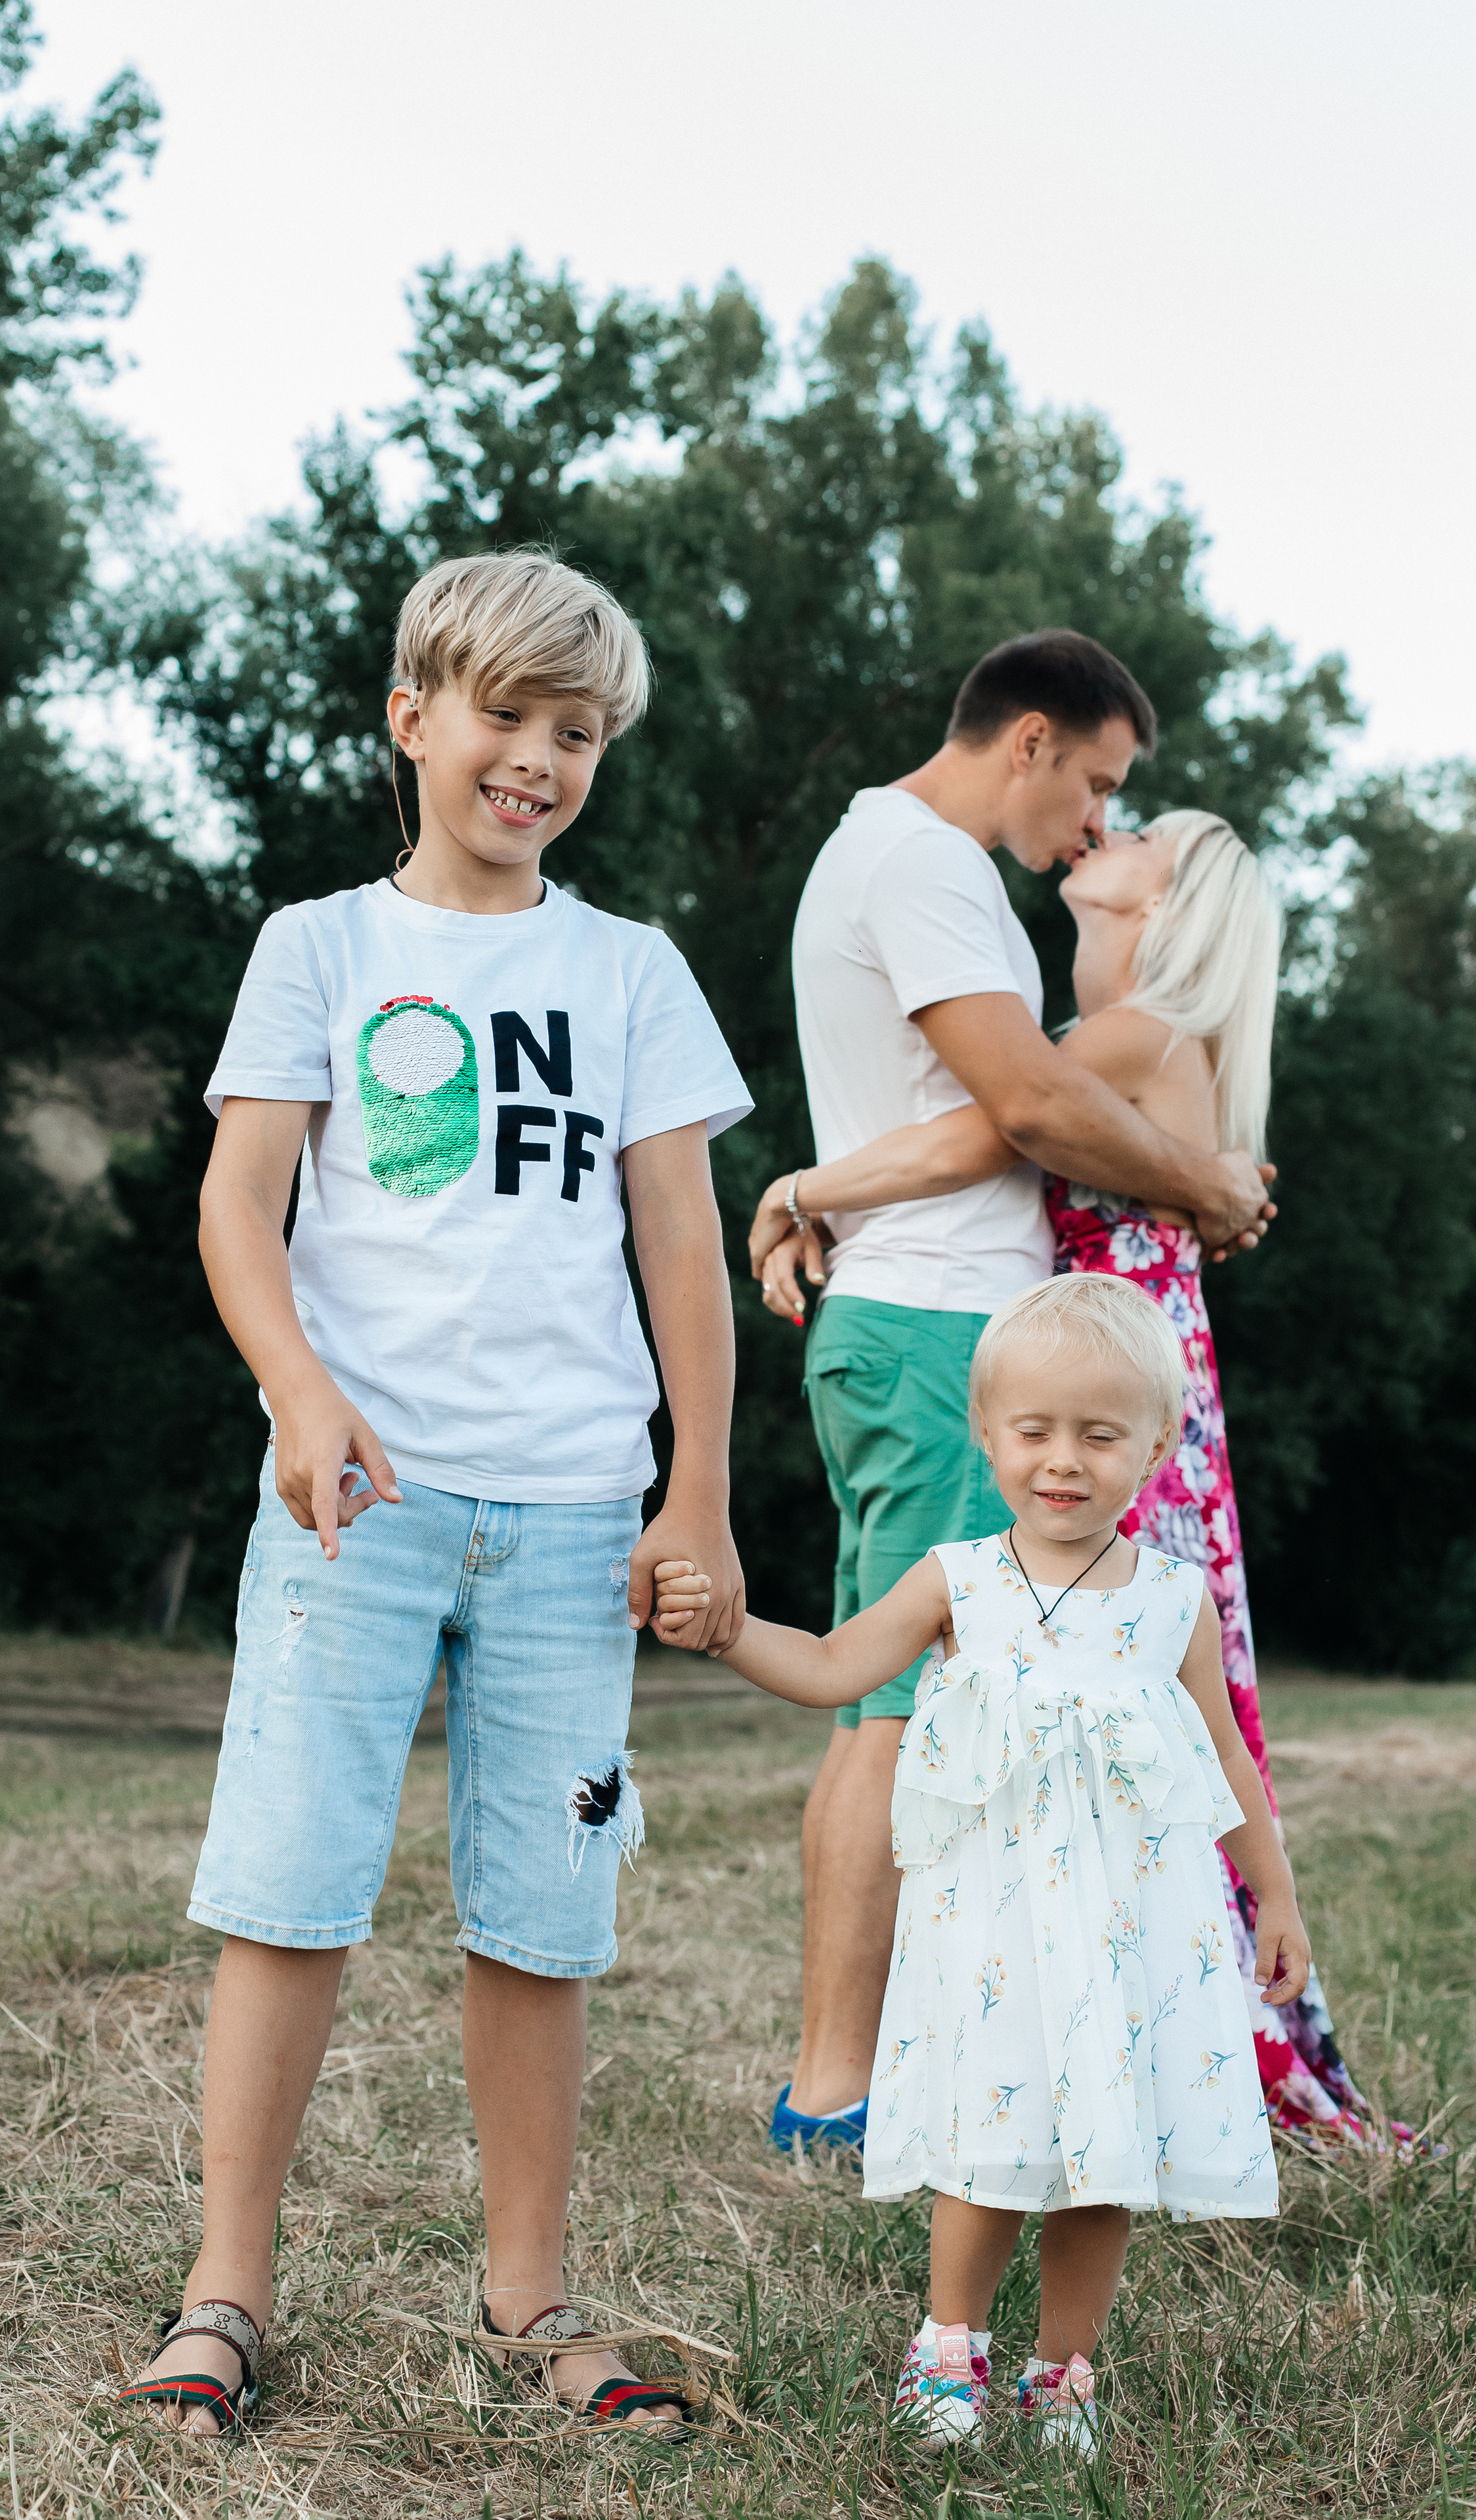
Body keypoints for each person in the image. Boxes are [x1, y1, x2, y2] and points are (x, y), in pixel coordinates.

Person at [119, 551, 751, 2437]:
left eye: (578, 735)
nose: (539, 761)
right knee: (294, 1887)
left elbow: (684, 1257)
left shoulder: (630, 971)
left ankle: (533, 2300)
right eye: (505, 719)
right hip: (357, 1502)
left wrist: (696, 1494)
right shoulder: (320, 949)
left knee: (542, 1915)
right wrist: (299, 1394)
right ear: (413, 720)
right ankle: (226, 2294)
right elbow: (239, 1207)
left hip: (572, 1512)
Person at [755, 810, 1391, 2151]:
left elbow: (989, 1129)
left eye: (1146, 824)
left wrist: (802, 1186)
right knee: (1143, 1720)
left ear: (1170, 902)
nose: (1110, 823)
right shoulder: (1149, 1044)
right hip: (1123, 1410)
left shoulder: (1133, 1036)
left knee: (1125, 1723)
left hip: (1105, 1427)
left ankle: (1131, 2043)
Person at [649, 1272, 1309, 2460]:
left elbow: (1225, 1756)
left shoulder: (1172, 1600)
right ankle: (947, 2343)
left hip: (1130, 1924)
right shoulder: (962, 1581)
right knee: (992, 2137)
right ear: (985, 1431)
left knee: (1105, 2151)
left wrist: (1277, 1897)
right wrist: (731, 1630)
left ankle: (1066, 2370)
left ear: (1156, 1444)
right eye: (1034, 1431)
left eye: (1100, 1436)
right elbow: (838, 1667)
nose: (1063, 1461)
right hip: (997, 1921)